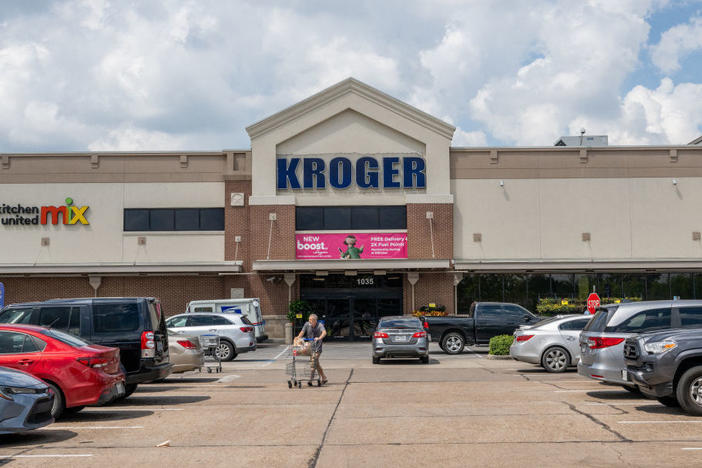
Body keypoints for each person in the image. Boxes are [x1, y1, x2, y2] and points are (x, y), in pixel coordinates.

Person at [297, 314, 327, 385]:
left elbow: (324, 332)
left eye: (311, 320)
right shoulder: (307, 324)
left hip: (317, 348)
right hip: (310, 347)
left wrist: (319, 338)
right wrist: (298, 337)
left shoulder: (319, 325)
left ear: (315, 320)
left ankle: (310, 380)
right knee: (316, 364)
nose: (310, 321)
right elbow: (302, 332)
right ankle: (324, 377)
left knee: (313, 362)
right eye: (309, 319)